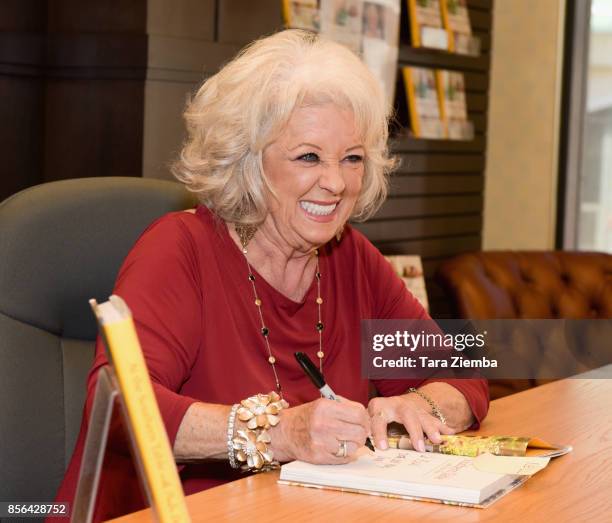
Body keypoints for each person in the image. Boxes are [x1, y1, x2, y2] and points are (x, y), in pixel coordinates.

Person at [53, 29, 488, 521]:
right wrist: (279, 433)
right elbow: (120, 411)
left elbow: (462, 374)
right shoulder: (179, 250)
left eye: (352, 159)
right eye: (308, 156)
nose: (336, 182)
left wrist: (422, 406)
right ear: (248, 161)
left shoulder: (353, 259)